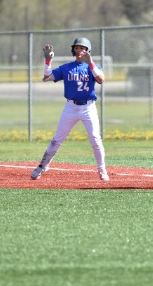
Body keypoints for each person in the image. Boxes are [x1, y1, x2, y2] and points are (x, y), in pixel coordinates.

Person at [31, 37, 109, 181]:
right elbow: (47, 77)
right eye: (77, 48)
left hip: (88, 107)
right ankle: (43, 166)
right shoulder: (67, 68)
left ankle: (102, 169)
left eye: (82, 48)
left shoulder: (93, 67)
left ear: (88, 51)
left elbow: (101, 79)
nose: (79, 50)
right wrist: (48, 60)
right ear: (73, 50)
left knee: (95, 139)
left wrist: (91, 63)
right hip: (71, 107)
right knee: (57, 139)